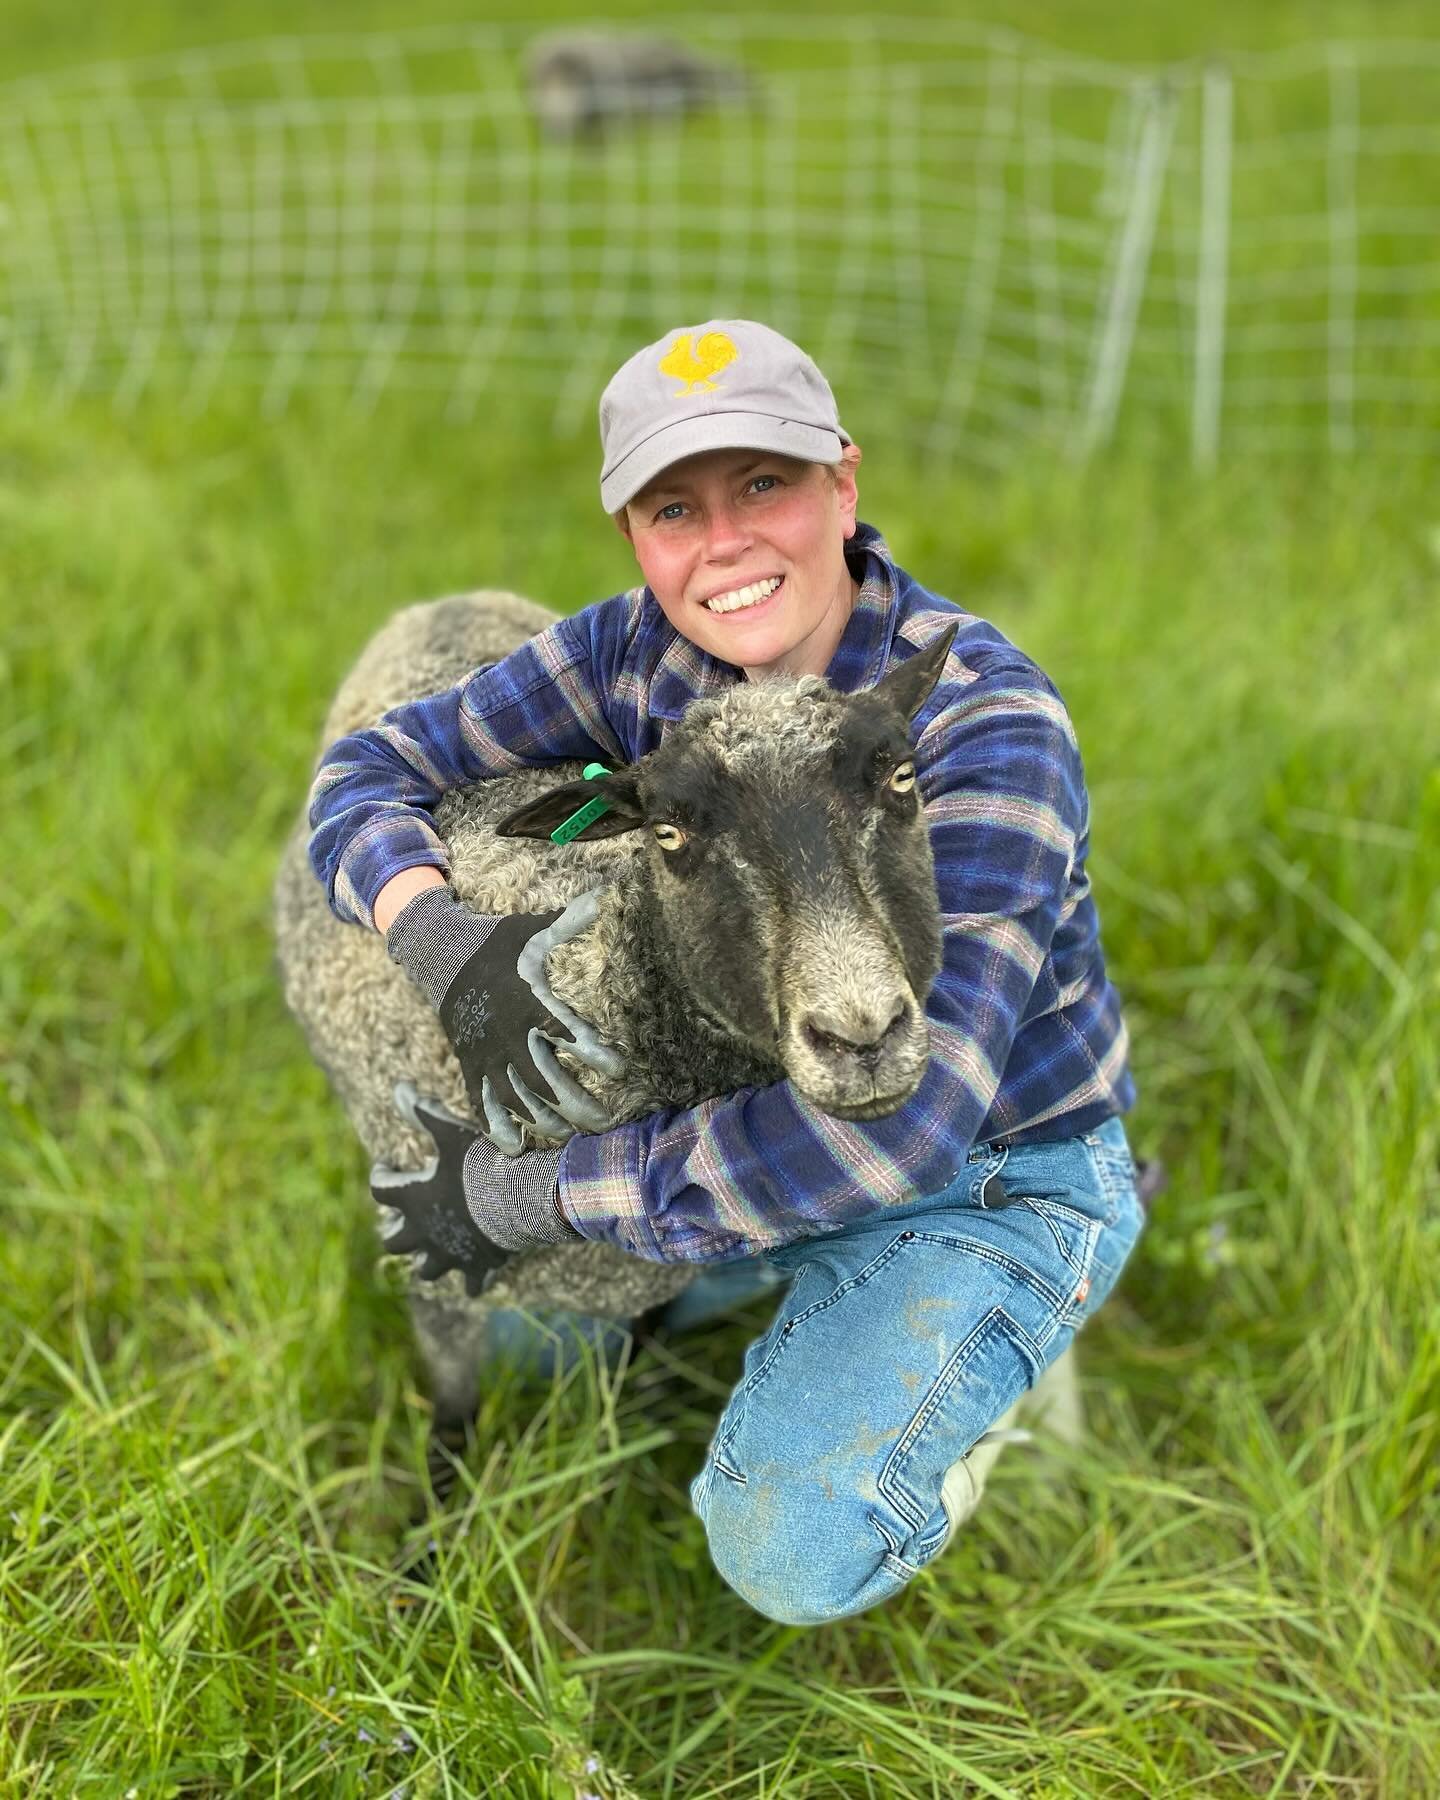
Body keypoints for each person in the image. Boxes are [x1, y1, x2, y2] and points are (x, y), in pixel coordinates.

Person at [306, 319, 1147, 1626]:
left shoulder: (984, 718)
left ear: (844, 486)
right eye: (675, 508)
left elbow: (908, 1125)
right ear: (636, 537)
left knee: (789, 1548)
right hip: (764, 1106)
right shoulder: (630, 655)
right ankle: (766, 1267)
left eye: (767, 485)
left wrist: (541, 1195)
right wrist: (438, 936)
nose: (727, 543)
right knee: (535, 1349)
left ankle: (1018, 1335)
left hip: (984, 1149)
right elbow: (367, 771)